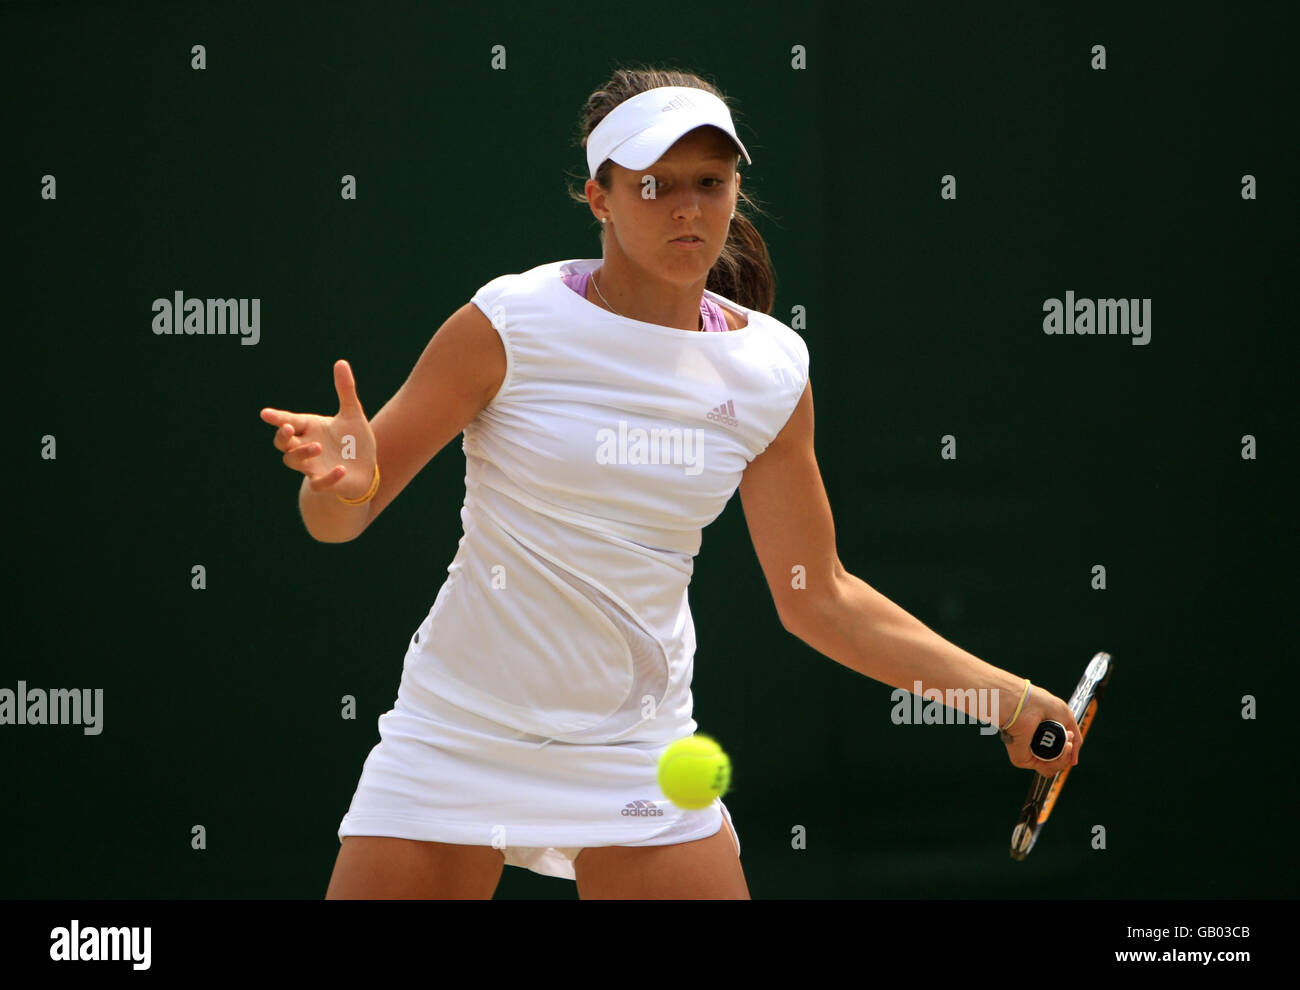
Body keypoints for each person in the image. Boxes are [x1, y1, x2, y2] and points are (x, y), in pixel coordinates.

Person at [259, 67, 1083, 900]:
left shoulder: (768, 371)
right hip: (459, 733)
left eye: (709, 182)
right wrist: (344, 484)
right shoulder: (509, 322)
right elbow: (336, 522)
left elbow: (819, 595)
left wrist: (1009, 702)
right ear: (600, 197)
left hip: (637, 747)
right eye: (653, 185)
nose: (688, 208)